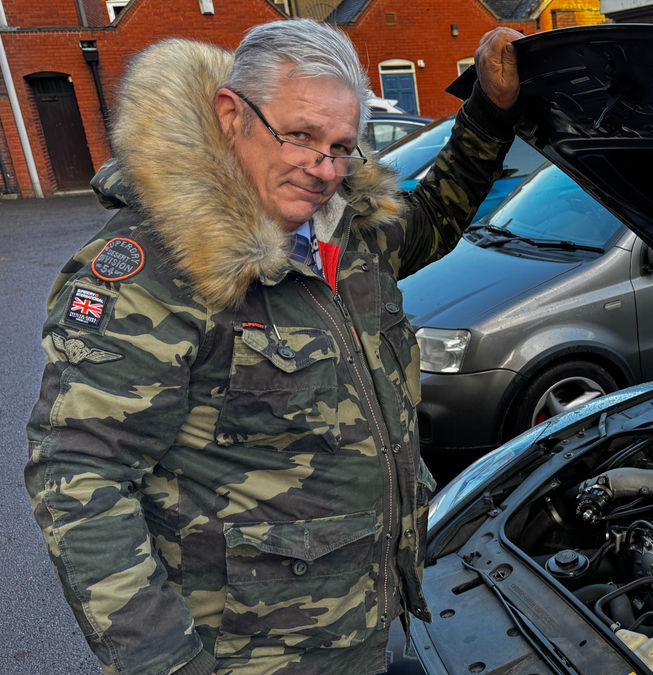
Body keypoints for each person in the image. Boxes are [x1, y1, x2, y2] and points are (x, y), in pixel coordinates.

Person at [25, 19, 521, 675]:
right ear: (232, 115)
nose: (323, 169)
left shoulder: (343, 230)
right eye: (301, 136)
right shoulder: (152, 274)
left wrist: (489, 111)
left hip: (360, 620)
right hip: (249, 654)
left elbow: (434, 218)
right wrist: (167, 664)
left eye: (341, 146)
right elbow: (79, 478)